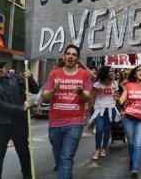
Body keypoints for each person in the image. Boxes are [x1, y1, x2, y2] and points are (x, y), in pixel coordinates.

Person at [41, 45, 93, 179]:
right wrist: (54, 90)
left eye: (74, 55)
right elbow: (46, 96)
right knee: (59, 157)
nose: (70, 56)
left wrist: (80, 92)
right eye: (68, 54)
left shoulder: (84, 74)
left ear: (78, 59)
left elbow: (87, 97)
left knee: (66, 157)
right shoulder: (54, 73)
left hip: (75, 122)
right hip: (55, 122)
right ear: (63, 57)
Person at [0, 59, 39, 179]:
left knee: (23, 152)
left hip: (19, 122)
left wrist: (29, 78)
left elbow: (34, 90)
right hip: (1, 124)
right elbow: (0, 105)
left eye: (1, 66)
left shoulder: (16, 77)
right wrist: (21, 107)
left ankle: (27, 174)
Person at [118, 65, 141, 178]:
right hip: (128, 118)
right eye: (138, 70)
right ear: (135, 74)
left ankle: (135, 169)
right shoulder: (129, 86)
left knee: (137, 142)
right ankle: (132, 159)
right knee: (130, 142)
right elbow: (121, 101)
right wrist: (116, 98)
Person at [89, 66, 121, 160]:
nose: (112, 73)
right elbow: (93, 98)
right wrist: (89, 110)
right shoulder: (97, 85)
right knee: (99, 129)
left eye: (112, 71)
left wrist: (117, 100)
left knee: (107, 130)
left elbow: (116, 97)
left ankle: (104, 148)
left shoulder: (115, 83)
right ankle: (97, 149)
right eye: (110, 71)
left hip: (111, 109)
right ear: (104, 73)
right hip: (99, 109)